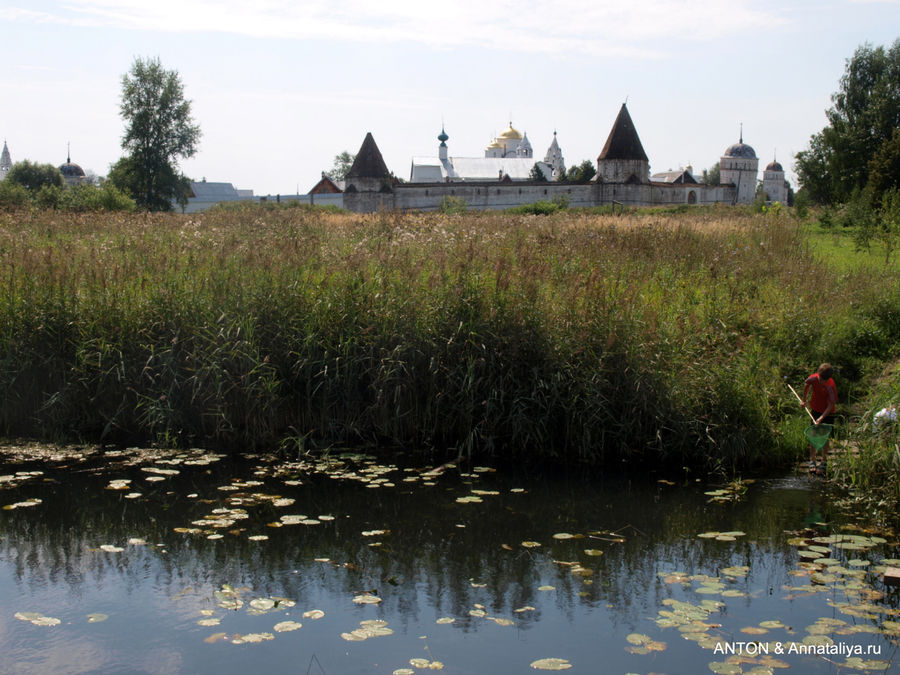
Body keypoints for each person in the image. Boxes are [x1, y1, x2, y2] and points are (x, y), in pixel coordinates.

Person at [801, 363, 837, 472]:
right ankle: (812, 460)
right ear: (818, 375)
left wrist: (821, 418)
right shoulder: (813, 378)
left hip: (828, 413)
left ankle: (824, 460)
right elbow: (807, 384)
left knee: (824, 436)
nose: (822, 382)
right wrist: (804, 400)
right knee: (814, 434)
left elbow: (831, 404)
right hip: (815, 409)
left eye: (824, 380)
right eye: (821, 379)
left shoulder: (830, 386)